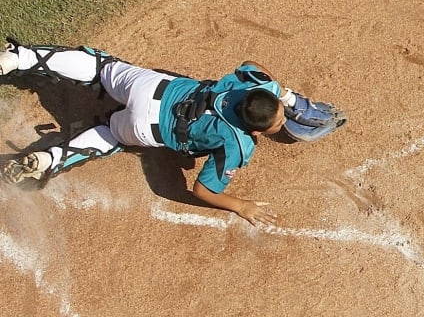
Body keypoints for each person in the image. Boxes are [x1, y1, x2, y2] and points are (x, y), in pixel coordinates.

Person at [1, 39, 296, 226]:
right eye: (279, 120)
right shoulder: (239, 144)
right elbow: (202, 190)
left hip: (147, 87)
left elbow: (250, 66)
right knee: (111, 135)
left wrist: (282, 92)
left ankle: (20, 58)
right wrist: (241, 206)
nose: (283, 116)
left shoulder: (249, 88)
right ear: (256, 134)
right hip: (143, 128)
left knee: (103, 68)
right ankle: (47, 159)